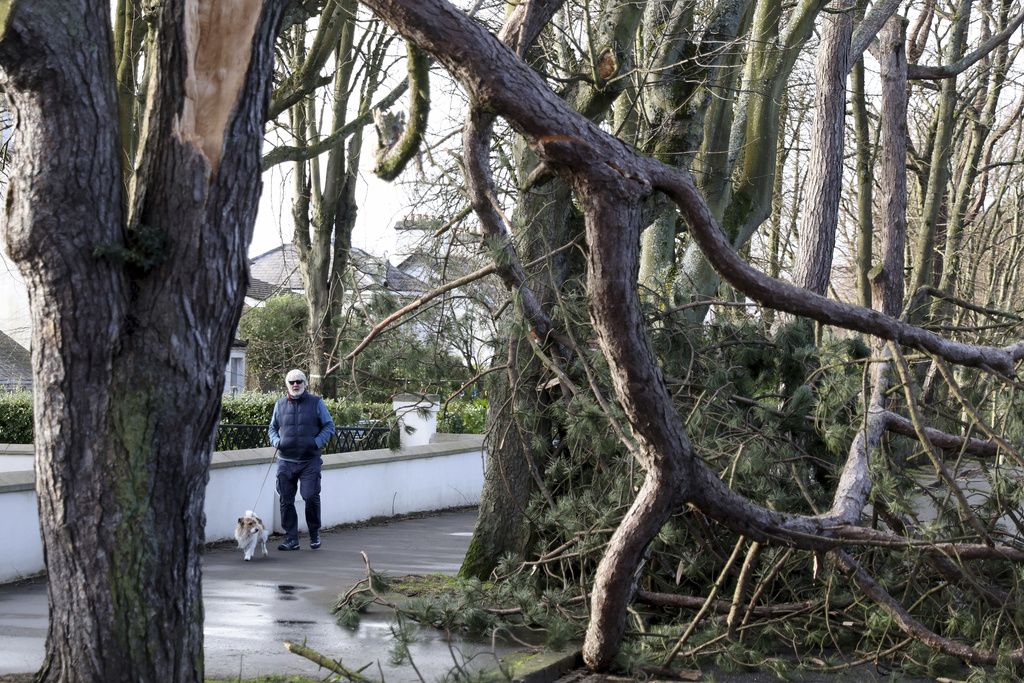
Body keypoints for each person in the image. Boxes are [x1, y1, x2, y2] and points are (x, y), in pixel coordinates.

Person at [268, 369, 335, 550]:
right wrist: (276, 441)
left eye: (299, 381)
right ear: (287, 385)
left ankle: (314, 533)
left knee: (310, 496)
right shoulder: (280, 404)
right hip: (285, 460)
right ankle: (291, 539)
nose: (295, 385)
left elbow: (329, 425)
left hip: (309, 461)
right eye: (291, 382)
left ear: (305, 383)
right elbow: (272, 428)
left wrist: (316, 442)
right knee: (286, 500)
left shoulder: (316, 402)